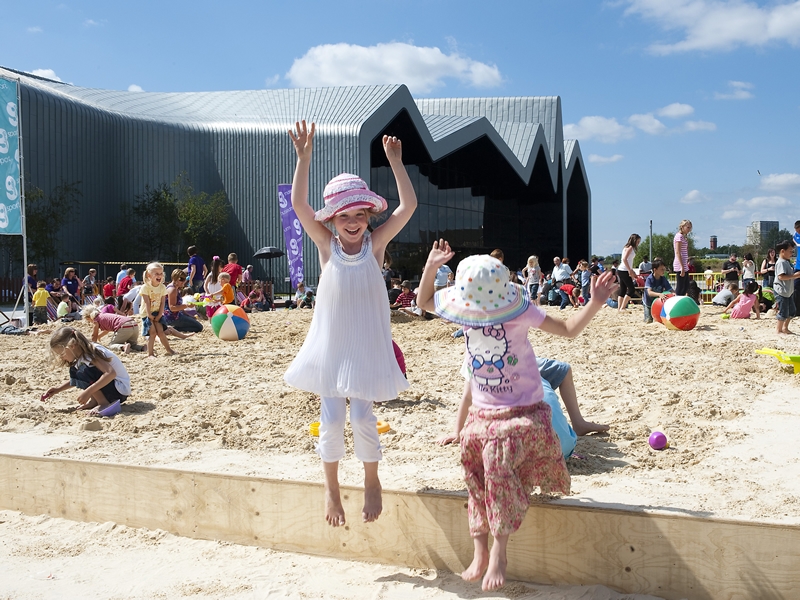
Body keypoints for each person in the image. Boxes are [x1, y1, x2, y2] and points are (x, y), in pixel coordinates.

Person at [416, 241, 616, 592]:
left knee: (496, 464)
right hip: (483, 414)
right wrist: (431, 266)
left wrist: (595, 303)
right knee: (470, 463)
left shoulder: (520, 312)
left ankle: (500, 550)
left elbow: (568, 330)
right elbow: (423, 302)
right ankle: (479, 544)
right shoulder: (463, 314)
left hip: (524, 412)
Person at [283, 120, 414, 528]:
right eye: (345, 216)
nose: (353, 222)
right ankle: (331, 489)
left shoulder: (376, 245)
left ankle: (372, 481)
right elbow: (300, 205)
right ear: (333, 220)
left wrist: (396, 163)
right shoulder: (327, 246)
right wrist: (303, 159)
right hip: (332, 346)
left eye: (360, 214)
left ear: (369, 215)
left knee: (361, 418)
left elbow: (407, 207)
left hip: (365, 346)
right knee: (333, 420)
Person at [437, 356, 609, 446]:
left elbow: (468, 396)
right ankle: (578, 422)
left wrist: (457, 432)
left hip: (515, 446)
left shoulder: (475, 354)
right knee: (562, 369)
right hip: (563, 445)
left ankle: (577, 423)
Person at [41, 327, 131, 414]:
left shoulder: (91, 352)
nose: (61, 357)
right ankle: (95, 401)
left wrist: (88, 391)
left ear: (72, 346)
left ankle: (103, 403)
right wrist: (58, 389)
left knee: (84, 370)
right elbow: (77, 379)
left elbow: (110, 373)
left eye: (62, 353)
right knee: (76, 369)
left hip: (119, 390)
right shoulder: (82, 356)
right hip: (112, 388)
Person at [139, 262, 174, 357]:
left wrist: (160, 314)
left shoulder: (162, 287)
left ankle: (169, 349)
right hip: (147, 313)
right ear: (149, 275)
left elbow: (163, 302)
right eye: (156, 274)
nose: (159, 276)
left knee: (161, 332)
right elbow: (146, 302)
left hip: (157, 312)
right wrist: (149, 315)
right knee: (153, 333)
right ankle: (150, 353)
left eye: (161, 273)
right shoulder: (145, 287)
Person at [165, 269, 204, 334]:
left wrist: (188, 315)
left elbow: (178, 307)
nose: (183, 281)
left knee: (195, 323)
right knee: (199, 327)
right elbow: (172, 308)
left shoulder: (174, 288)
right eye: (181, 279)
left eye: (184, 279)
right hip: (172, 318)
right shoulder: (173, 290)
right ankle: (172, 329)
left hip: (174, 316)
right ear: (175, 279)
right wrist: (187, 306)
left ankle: (173, 329)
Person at [774, 239, 800, 334]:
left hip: (788, 291)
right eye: (790, 251)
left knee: (792, 311)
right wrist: (796, 275)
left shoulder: (787, 261)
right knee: (783, 312)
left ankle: (785, 328)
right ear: (782, 251)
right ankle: (778, 330)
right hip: (781, 291)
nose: (792, 253)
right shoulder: (781, 262)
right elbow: (781, 277)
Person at [643, 258, 673, 323]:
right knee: (648, 321)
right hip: (648, 303)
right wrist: (659, 294)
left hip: (658, 303)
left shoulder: (663, 279)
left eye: (664, 269)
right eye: (661, 269)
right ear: (655, 270)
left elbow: (670, 290)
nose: (663, 271)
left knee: (660, 320)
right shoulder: (650, 279)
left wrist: (675, 295)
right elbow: (649, 292)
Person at [617, 234, 641, 311]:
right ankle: (622, 307)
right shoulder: (630, 248)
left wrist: (631, 269)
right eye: (637, 241)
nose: (638, 243)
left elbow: (627, 260)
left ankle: (619, 308)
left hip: (622, 269)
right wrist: (629, 270)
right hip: (624, 270)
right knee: (631, 289)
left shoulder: (626, 247)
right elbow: (624, 259)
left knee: (623, 290)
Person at [673, 220, 692, 296]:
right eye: (687, 227)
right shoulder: (679, 236)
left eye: (690, 228)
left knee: (686, 285)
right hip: (680, 264)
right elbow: (678, 252)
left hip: (684, 264)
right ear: (682, 227)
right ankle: (677, 300)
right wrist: (682, 267)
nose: (689, 229)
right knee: (681, 287)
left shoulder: (683, 237)